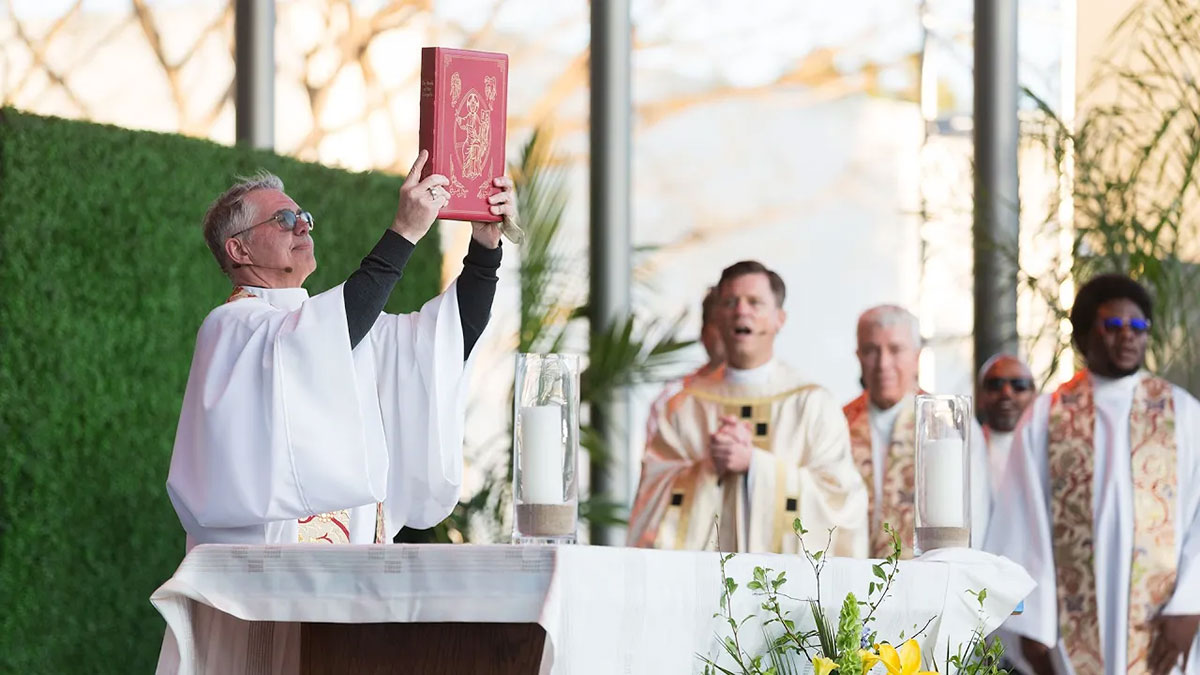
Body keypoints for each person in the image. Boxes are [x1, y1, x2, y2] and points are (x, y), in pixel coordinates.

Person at [166, 150, 516, 551]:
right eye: (284, 220)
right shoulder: (231, 328)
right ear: (239, 251)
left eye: (304, 218)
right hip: (263, 579)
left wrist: (485, 252)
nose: (302, 227)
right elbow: (313, 341)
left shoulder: (324, 326)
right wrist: (403, 232)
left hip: (352, 569)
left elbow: (448, 340)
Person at [984, 274, 1200, 675]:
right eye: (1112, 325)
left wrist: (1191, 603)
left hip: (1165, 624)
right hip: (1070, 629)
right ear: (1084, 335)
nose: (1127, 336)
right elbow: (1021, 525)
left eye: (1137, 326)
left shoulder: (1183, 413)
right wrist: (1031, 621)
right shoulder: (1047, 416)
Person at [627, 261, 867, 555]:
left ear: (779, 319)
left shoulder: (812, 404)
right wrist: (707, 468)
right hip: (702, 586)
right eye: (730, 302)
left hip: (786, 594)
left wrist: (755, 465)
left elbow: (841, 502)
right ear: (717, 317)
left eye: (755, 302)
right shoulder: (684, 406)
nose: (742, 311)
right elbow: (650, 498)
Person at [842, 305, 990, 558]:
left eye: (896, 349)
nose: (883, 363)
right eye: (871, 350)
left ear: (917, 356)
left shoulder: (948, 422)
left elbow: (973, 511)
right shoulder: (839, 423)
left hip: (925, 579)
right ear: (858, 356)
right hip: (851, 581)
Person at [644, 286, 726, 442]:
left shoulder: (776, 394)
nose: (730, 335)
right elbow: (655, 463)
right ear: (703, 333)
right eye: (721, 324)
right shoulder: (672, 397)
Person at [976, 353, 1036, 500]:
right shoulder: (967, 448)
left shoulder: (1050, 446)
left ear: (1035, 396)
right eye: (995, 385)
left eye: (1019, 385)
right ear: (980, 397)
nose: (1006, 393)